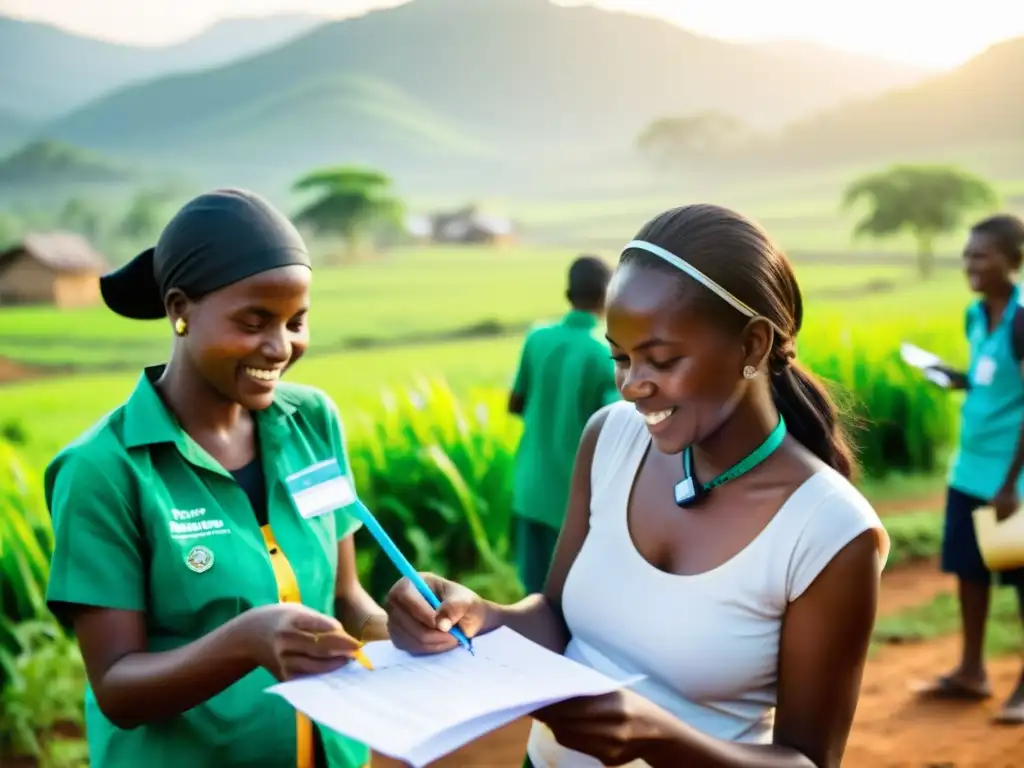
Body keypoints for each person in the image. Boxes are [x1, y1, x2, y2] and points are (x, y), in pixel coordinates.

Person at [385, 203, 891, 768]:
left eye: (661, 360)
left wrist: (663, 740)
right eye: (620, 359)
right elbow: (556, 615)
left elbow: (809, 761)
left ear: (752, 346)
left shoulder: (829, 530)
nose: (631, 387)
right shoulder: (610, 439)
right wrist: (479, 613)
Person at [43, 189, 387, 768]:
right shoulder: (104, 471)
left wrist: (400, 624)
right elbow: (117, 688)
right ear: (180, 309)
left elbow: (345, 598)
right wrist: (246, 640)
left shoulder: (312, 423)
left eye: (296, 322)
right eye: (254, 322)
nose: (280, 347)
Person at [917, 213, 1024, 724]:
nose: (970, 264)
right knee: (969, 571)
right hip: (969, 471)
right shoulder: (975, 315)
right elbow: (993, 380)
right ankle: (972, 670)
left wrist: (1010, 485)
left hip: (1010, 480)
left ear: (1012, 258)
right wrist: (958, 379)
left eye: (981, 255)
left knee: (1020, 581)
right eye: (967, 255)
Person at [508, 254, 618, 594]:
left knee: (533, 597)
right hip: (574, 502)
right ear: (608, 295)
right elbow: (616, 425)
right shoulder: (604, 354)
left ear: (568, 292)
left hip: (529, 488)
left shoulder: (537, 338)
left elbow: (515, 403)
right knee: (571, 602)